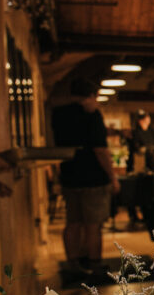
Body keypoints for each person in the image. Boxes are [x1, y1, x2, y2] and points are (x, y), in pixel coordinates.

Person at [51, 78, 119, 274]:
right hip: (93, 178)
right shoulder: (93, 114)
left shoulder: (58, 114)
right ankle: (95, 264)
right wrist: (112, 177)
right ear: (92, 95)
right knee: (93, 225)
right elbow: (100, 150)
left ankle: (73, 264)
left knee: (72, 222)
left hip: (69, 176)